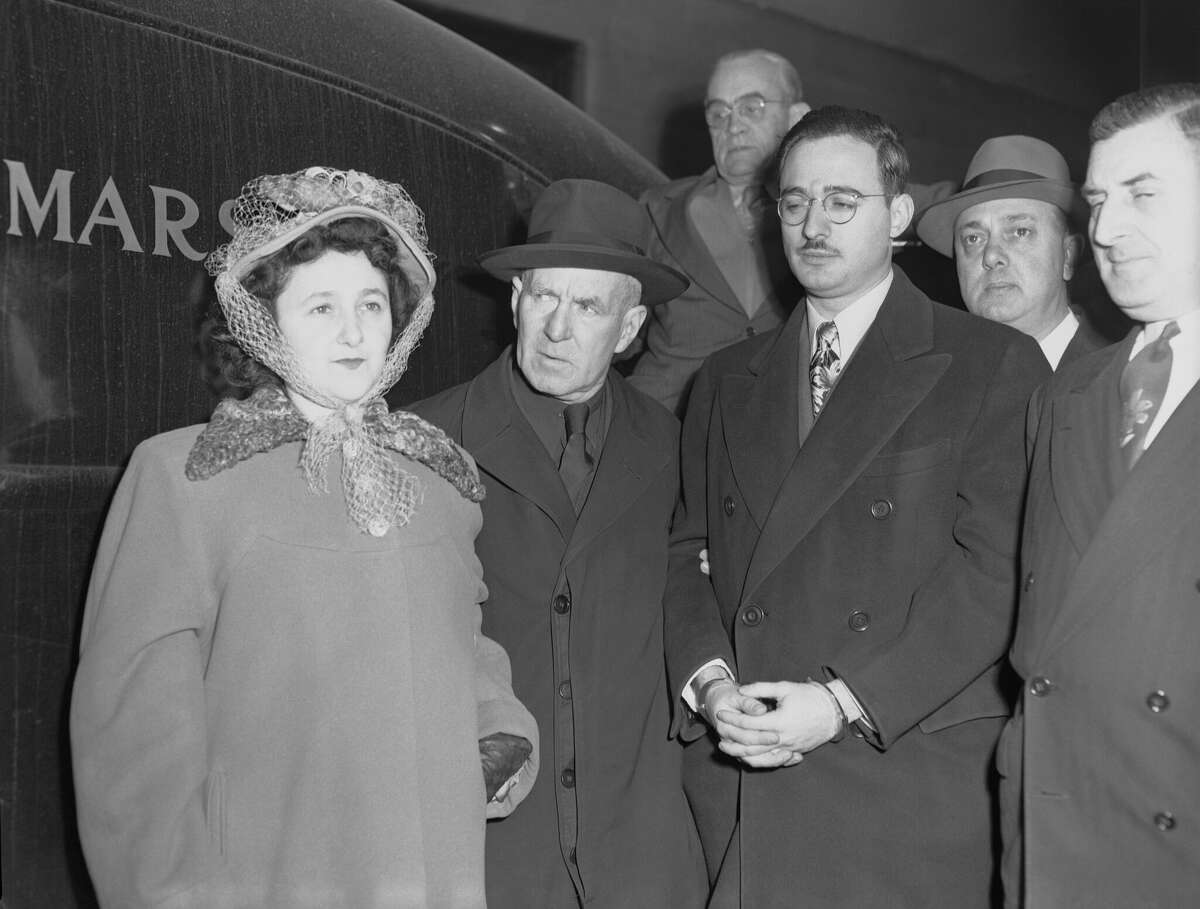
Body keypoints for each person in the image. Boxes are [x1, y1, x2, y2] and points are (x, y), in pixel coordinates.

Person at [69, 167, 538, 908]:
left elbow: (463, 634)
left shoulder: (441, 480)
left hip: (430, 865)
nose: (354, 332)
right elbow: (132, 747)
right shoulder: (186, 477)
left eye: (372, 304)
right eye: (320, 305)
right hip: (269, 872)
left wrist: (498, 722)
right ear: (265, 320)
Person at [665, 107, 1050, 908]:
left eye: (843, 202)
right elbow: (685, 554)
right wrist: (710, 683)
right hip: (748, 789)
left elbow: (997, 575)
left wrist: (842, 702)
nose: (813, 224)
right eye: (795, 202)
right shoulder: (725, 378)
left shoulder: (988, 363)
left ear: (898, 215)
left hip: (899, 787)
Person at [412, 179, 708, 908]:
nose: (557, 327)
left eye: (589, 306)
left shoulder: (678, 449)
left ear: (632, 325)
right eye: (543, 297)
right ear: (514, 299)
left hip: (642, 864)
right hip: (488, 856)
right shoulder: (422, 443)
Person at [999, 83, 1200, 908]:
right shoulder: (1070, 394)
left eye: (1143, 194)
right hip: (1056, 849)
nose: (1107, 231)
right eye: (1097, 201)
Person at [629, 49, 809, 416]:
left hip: (778, 435)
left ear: (797, 117)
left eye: (751, 107)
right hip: (662, 432)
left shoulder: (826, 209)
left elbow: (939, 207)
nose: (733, 126)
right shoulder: (655, 211)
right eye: (718, 113)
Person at [916, 135, 1108, 369]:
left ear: (1068, 255)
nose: (991, 256)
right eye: (973, 238)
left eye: (1020, 232)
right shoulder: (938, 382)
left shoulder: (1116, 385)